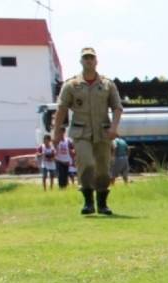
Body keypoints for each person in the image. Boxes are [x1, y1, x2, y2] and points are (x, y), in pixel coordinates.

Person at [52, 46, 123, 215]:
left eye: (91, 58)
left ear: (96, 61)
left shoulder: (107, 85)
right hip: (81, 133)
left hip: (102, 132)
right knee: (87, 164)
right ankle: (88, 201)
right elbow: (61, 109)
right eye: (86, 58)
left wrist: (114, 128)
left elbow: (117, 107)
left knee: (103, 169)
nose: (89, 61)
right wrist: (56, 132)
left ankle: (102, 203)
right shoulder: (71, 85)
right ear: (81, 61)